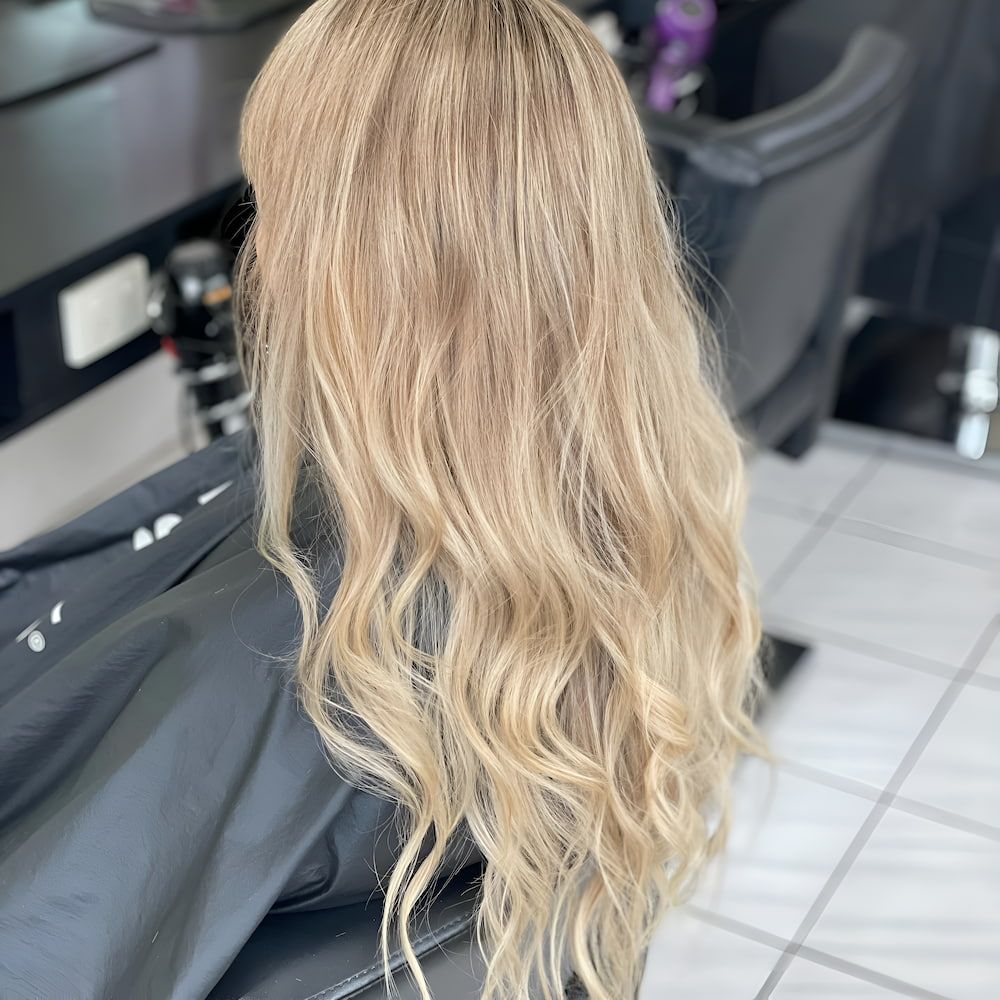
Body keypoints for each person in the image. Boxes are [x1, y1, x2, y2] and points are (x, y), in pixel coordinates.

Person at [0, 1, 761, 997]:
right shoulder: (646, 525)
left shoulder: (259, 664)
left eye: (273, 201)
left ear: (347, 277)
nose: (260, 244)